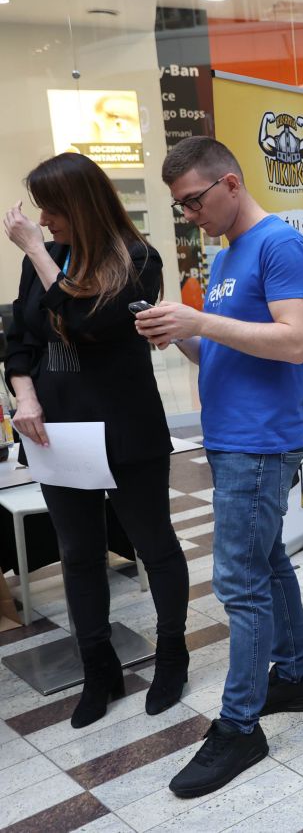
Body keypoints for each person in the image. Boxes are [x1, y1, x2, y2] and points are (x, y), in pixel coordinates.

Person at [136, 136, 303, 798]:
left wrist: (201, 322)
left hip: (259, 440)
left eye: (193, 200)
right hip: (230, 434)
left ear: (231, 184)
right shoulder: (226, 255)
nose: (190, 214)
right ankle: (294, 675)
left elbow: (295, 340)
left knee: (239, 582)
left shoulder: (279, 245)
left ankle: (239, 725)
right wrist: (181, 332)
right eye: (180, 205)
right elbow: (226, 348)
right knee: (265, 561)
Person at [2, 153, 189, 728]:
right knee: (79, 553)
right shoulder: (43, 258)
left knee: (153, 545)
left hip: (126, 425)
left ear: (80, 205)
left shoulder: (138, 259)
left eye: (52, 210)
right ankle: (98, 666)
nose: (43, 221)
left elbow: (88, 323)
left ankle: (172, 655)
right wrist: (25, 397)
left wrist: (37, 252)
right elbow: (20, 339)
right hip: (57, 430)